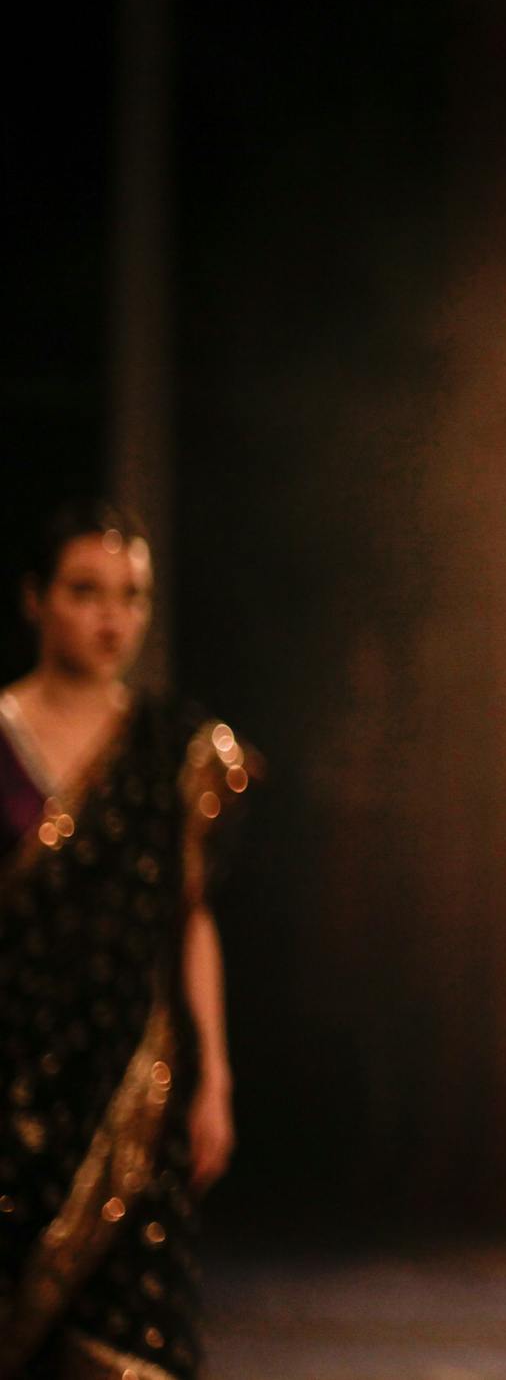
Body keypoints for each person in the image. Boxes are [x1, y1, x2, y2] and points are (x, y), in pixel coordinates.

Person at [0, 503, 248, 1378]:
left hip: (133, 1090)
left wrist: (212, 1071)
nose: (113, 617)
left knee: (137, 1335)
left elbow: (191, 917)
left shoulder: (172, 749)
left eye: (131, 596)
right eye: (86, 592)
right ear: (35, 600)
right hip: (12, 1087)